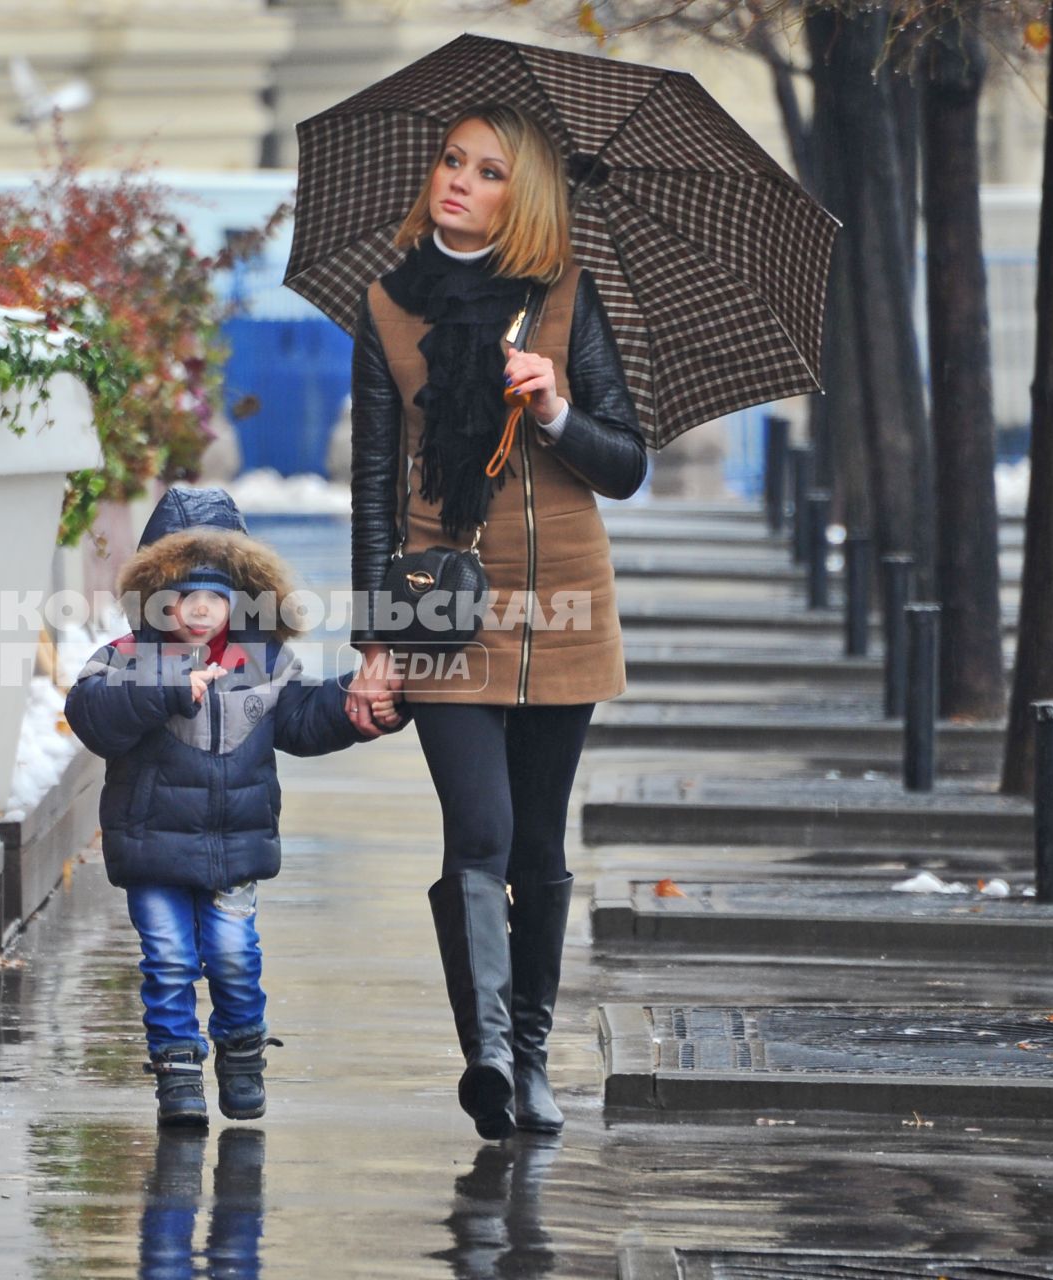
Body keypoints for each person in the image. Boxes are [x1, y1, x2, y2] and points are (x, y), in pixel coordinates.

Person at [345, 103, 646, 1140]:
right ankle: (486, 1056)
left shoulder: (564, 297)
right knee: (478, 827)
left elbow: (628, 464)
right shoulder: (387, 305)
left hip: (563, 601)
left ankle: (531, 1053)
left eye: (490, 170)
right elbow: (375, 481)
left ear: (528, 198)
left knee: (537, 844)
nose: (460, 180)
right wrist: (376, 640)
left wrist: (558, 406)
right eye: (451, 160)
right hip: (443, 603)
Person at [65, 486, 402, 1127]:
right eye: (182, 594)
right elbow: (93, 718)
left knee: (233, 957)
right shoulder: (123, 660)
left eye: (214, 596)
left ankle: (242, 1053)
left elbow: (302, 721)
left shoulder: (265, 662)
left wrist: (355, 708)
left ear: (240, 599)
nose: (198, 610)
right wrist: (166, 687)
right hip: (152, 848)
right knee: (166, 959)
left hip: (232, 850)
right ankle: (177, 1071)